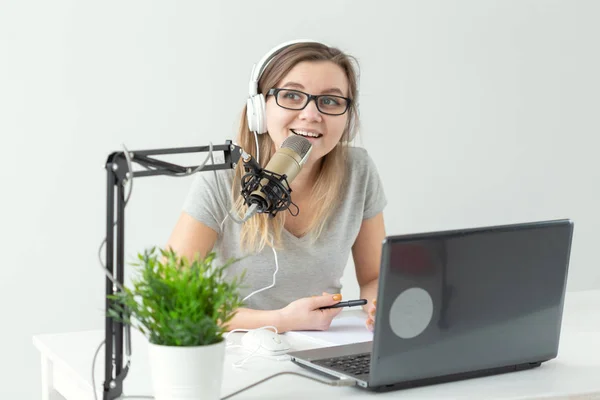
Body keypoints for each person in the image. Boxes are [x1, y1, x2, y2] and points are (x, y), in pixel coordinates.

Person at [166, 40, 385, 333]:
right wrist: (280, 321)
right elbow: (170, 297)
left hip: (324, 347)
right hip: (238, 352)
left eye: (330, 101)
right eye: (292, 96)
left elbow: (373, 277)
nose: (311, 114)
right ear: (259, 108)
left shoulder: (358, 171)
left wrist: (381, 307)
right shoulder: (222, 177)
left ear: (348, 118)